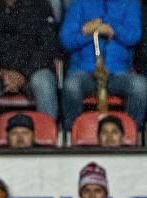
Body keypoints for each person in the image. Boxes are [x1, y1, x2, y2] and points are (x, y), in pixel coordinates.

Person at [60, 0, 147, 129]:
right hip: (85, 72)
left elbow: (133, 36)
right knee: (71, 86)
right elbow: (66, 40)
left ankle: (131, 136)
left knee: (139, 86)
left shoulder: (130, 3)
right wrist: (89, 33)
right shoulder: (79, 4)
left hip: (118, 74)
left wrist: (111, 28)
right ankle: (73, 135)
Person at [0, 0, 60, 119]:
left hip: (31, 74)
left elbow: (48, 48)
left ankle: (47, 133)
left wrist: (23, 74)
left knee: (43, 81)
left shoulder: (40, 7)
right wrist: (1, 72)